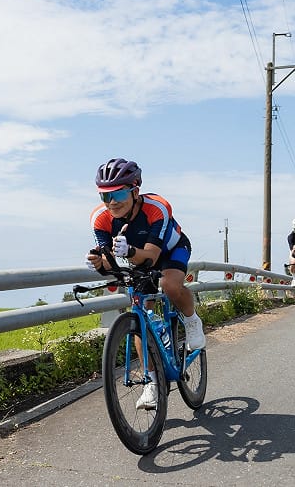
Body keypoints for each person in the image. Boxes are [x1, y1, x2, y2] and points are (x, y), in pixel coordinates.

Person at [85, 158, 205, 410]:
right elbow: (109, 261)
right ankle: (151, 382)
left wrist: (127, 252)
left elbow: (150, 256)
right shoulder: (100, 218)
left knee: (170, 286)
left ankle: (192, 320)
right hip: (138, 257)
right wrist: (99, 262)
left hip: (170, 251)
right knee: (140, 315)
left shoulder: (157, 208)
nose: (112, 202)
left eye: (118, 193)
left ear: (135, 190)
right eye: (105, 196)